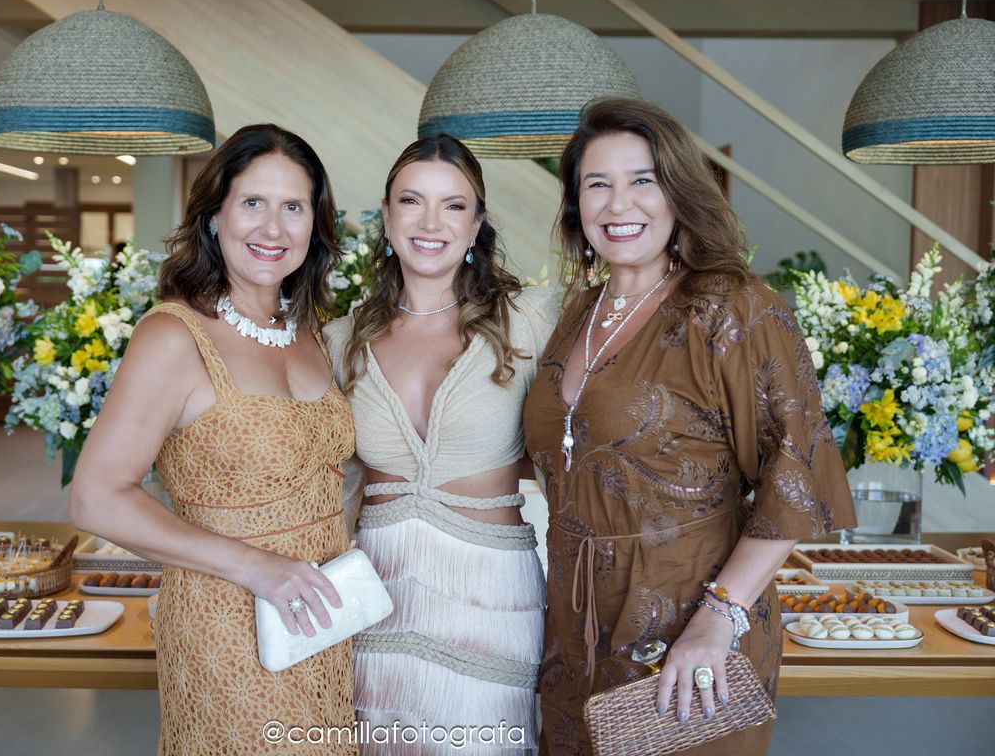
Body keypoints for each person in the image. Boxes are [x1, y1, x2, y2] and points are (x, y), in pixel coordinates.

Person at [522, 99, 856, 754]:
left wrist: (718, 618)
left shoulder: (732, 306)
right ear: (575, 205)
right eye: (598, 184)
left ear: (678, 192)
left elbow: (798, 473)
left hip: (687, 638)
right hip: (574, 637)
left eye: (642, 180)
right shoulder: (578, 312)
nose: (620, 205)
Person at [69, 124, 357, 755]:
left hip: (325, 618)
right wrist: (256, 566)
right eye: (253, 203)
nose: (272, 228)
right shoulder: (173, 336)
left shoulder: (307, 328)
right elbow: (96, 498)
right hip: (226, 621)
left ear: (315, 224)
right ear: (213, 216)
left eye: (293, 207)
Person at [324, 134, 557, 754]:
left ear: (477, 222)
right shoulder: (339, 339)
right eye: (412, 201)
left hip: (494, 595)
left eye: (454, 206)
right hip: (377, 593)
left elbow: (580, 444)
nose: (431, 223)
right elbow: (324, 476)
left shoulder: (532, 319)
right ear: (387, 214)